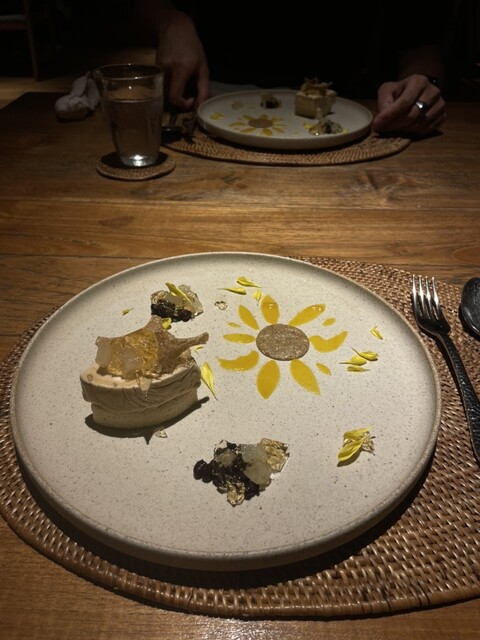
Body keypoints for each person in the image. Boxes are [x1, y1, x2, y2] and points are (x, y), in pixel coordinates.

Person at [136, 1, 451, 136]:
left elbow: (421, 40)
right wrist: (169, 21)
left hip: (350, 109)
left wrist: (420, 87)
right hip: (211, 100)